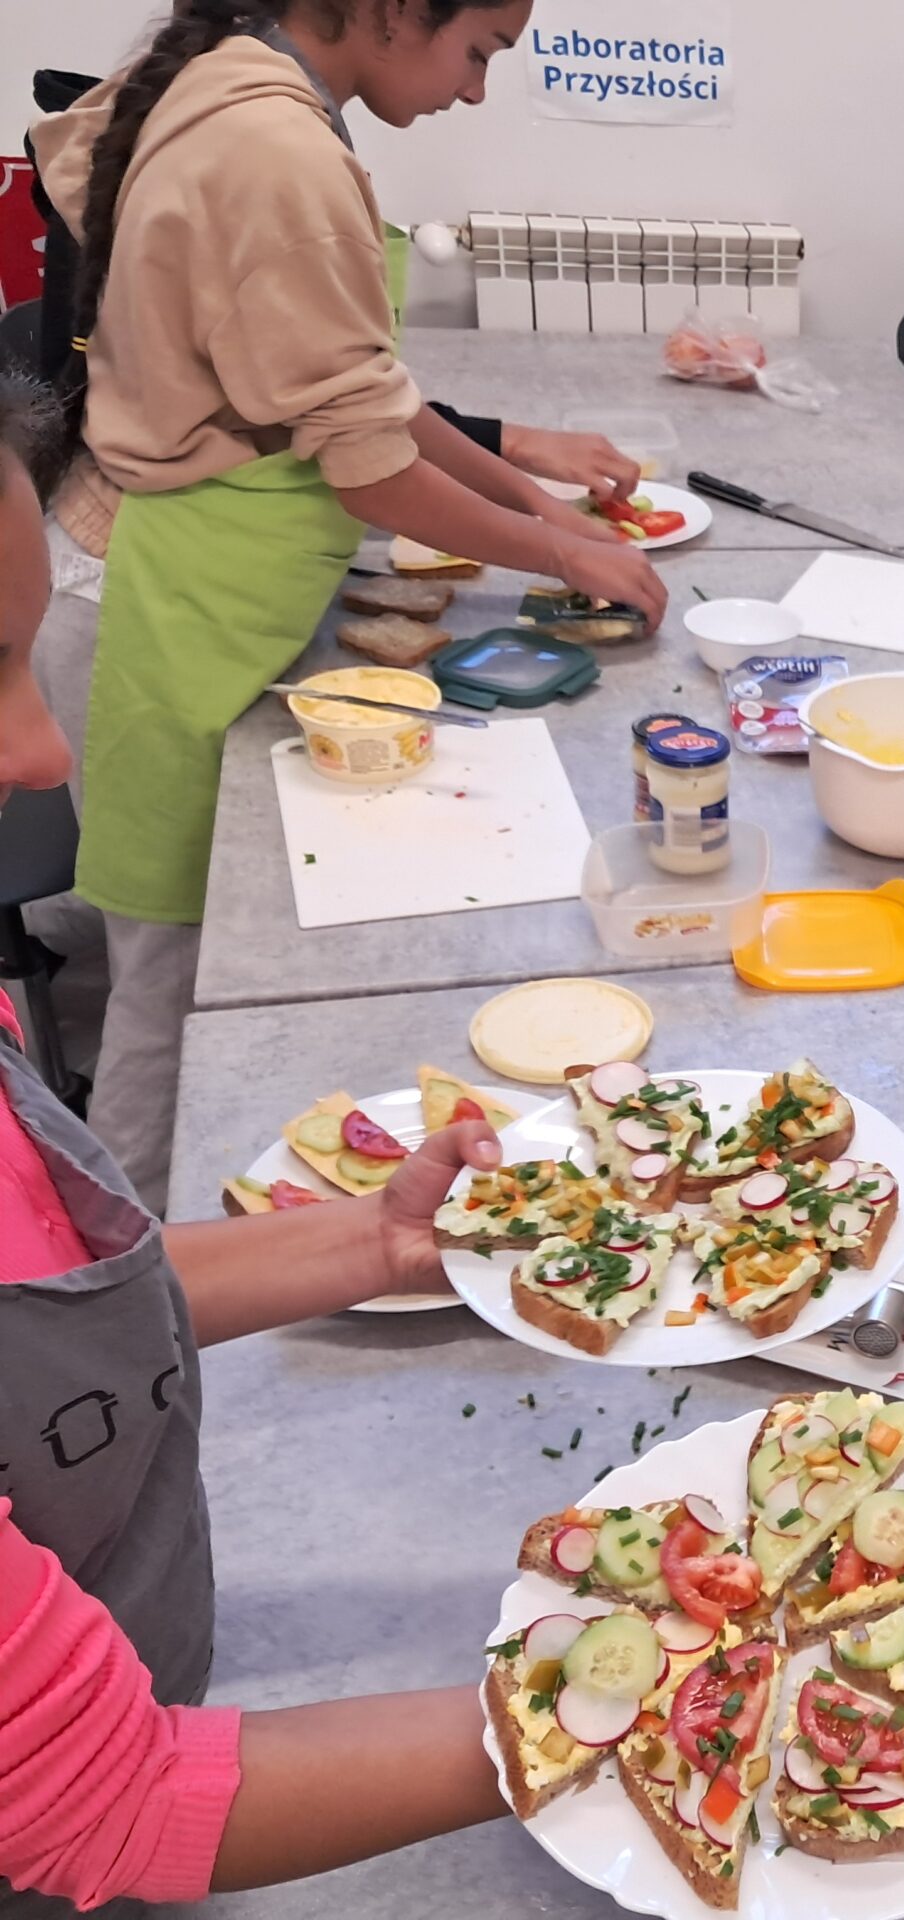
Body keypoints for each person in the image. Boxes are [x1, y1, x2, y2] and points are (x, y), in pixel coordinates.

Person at [0, 380, 518, 1919]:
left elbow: (55, 1308)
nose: (44, 753)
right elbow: (114, 1805)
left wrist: (371, 1244)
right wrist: (630, 1699)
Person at [24, 0, 666, 1212]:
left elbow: (368, 399)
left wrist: (533, 501)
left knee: (179, 969)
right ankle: (137, 1277)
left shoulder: (240, 83)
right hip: (153, 601)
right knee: (178, 992)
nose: (476, 90)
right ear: (393, 11)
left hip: (166, 578)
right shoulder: (278, 148)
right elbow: (369, 470)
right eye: (479, 51)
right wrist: (555, 552)